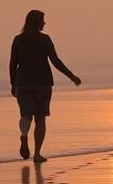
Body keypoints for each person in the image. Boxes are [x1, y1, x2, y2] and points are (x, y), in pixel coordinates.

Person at [9, 10, 81, 162]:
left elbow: (12, 64)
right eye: (42, 20)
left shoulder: (18, 40)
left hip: (23, 83)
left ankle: (23, 135)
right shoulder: (45, 40)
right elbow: (55, 61)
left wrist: (13, 83)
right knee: (40, 119)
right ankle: (36, 154)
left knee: (26, 115)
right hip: (42, 83)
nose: (44, 23)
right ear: (36, 22)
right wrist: (71, 76)